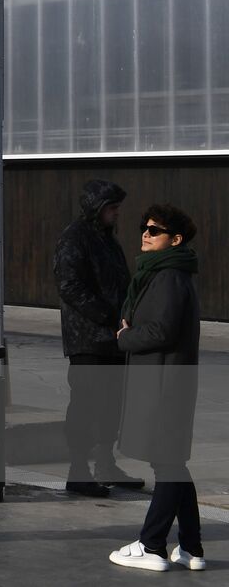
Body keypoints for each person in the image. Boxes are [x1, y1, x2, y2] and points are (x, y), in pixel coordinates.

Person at [108, 205, 205, 572]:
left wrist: (125, 336)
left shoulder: (168, 277)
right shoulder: (164, 273)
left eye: (155, 230)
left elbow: (161, 330)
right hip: (166, 379)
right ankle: (192, 548)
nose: (145, 234)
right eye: (143, 228)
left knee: (167, 463)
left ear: (175, 240)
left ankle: (151, 545)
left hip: (164, 382)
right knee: (172, 461)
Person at [53, 179, 143, 496]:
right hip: (87, 340)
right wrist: (108, 315)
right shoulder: (75, 239)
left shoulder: (107, 239)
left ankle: (105, 463)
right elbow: (70, 286)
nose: (117, 214)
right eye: (112, 208)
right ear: (97, 208)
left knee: (111, 404)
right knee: (86, 404)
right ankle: (78, 470)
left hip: (114, 339)